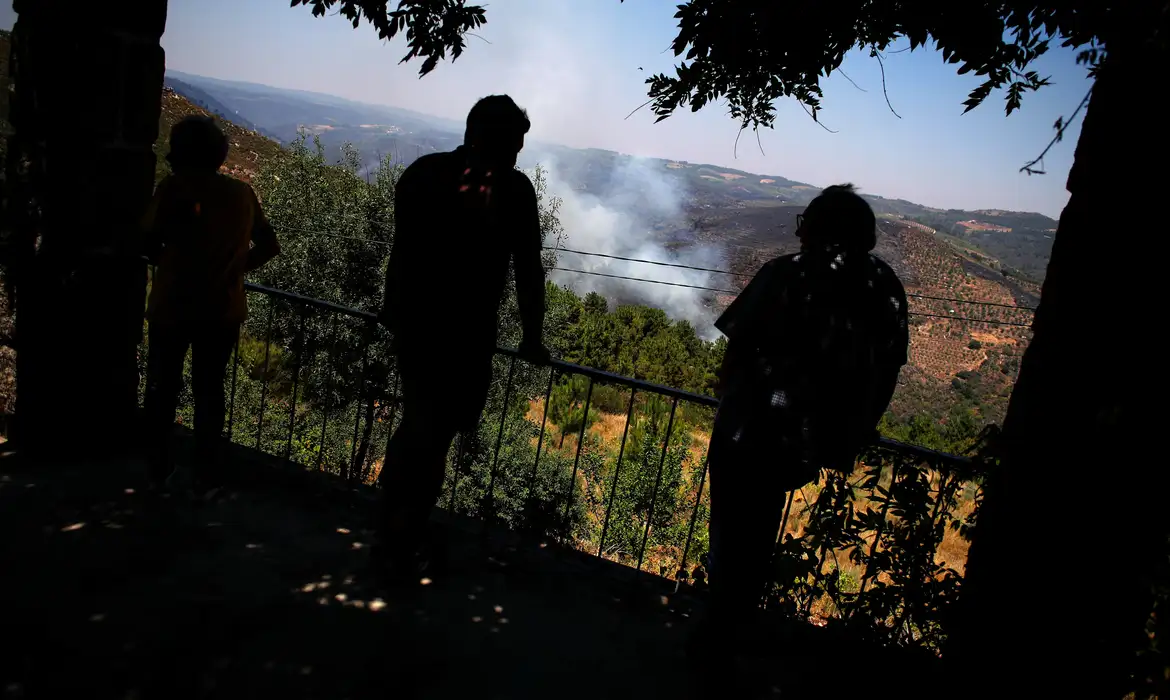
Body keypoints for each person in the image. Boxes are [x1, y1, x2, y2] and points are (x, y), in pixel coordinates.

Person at [695, 184, 908, 675]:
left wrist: (730, 398)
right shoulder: (884, 286)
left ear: (813, 228)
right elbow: (888, 368)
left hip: (747, 431)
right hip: (805, 442)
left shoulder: (785, 274)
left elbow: (737, 352)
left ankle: (717, 638)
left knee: (731, 535)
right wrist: (856, 429)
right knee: (759, 533)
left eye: (804, 223)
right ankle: (735, 628)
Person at [376, 95, 549, 579]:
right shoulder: (513, 191)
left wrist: (394, 311)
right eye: (513, 144)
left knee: (418, 425)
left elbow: (402, 251)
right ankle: (402, 541)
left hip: (414, 327)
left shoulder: (421, 173)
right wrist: (532, 338)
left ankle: (391, 527)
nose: (516, 155)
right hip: (465, 336)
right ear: (492, 139)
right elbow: (528, 271)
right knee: (432, 438)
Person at [141, 115, 281, 498]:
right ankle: (206, 476)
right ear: (219, 154)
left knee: (162, 389)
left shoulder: (172, 189)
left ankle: (158, 470)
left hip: (172, 307)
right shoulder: (243, 195)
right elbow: (270, 246)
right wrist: (235, 270)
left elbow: (147, 242)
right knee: (210, 392)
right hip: (222, 311)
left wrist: (172, 258)